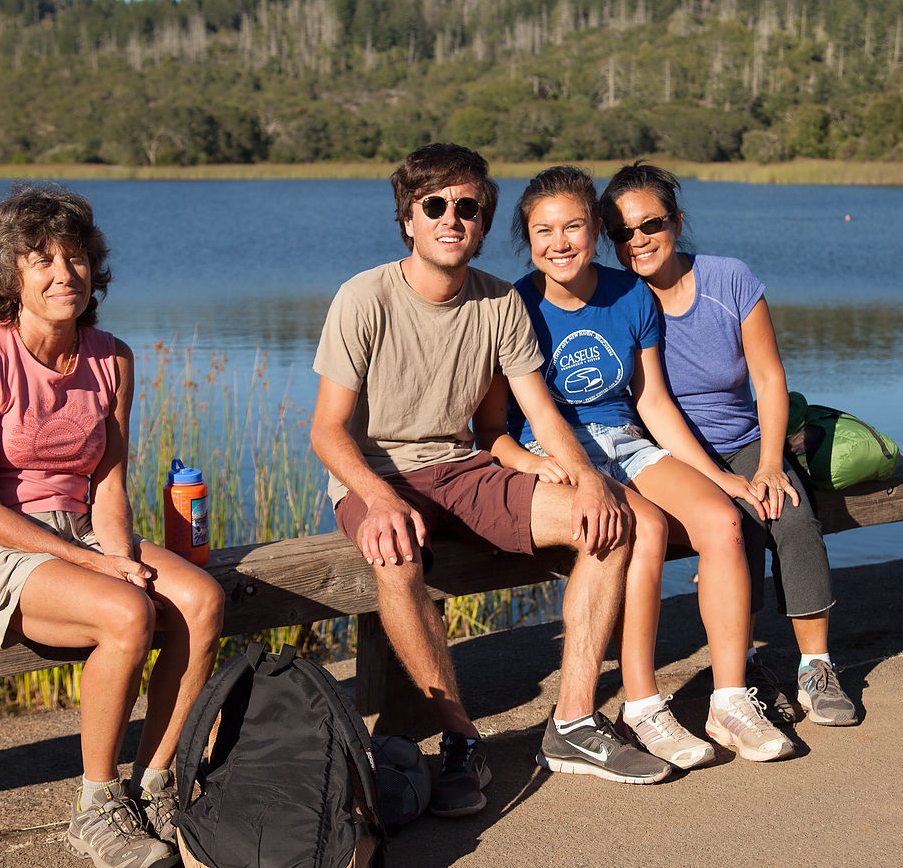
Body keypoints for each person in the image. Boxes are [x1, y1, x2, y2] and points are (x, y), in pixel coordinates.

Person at [310, 144, 672, 817]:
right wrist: (380, 499)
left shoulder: (500, 302)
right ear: (409, 218)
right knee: (396, 558)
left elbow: (539, 410)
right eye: (435, 206)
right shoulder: (363, 297)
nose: (452, 218)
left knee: (611, 530)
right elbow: (327, 431)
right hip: (379, 473)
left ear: (482, 222)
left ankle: (572, 723)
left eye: (468, 207)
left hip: (464, 467)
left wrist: (591, 481)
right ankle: (460, 741)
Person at [0, 185, 225, 868]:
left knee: (202, 599)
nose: (63, 273)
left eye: (75, 258)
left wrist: (119, 554)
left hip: (82, 533)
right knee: (127, 612)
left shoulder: (113, 357)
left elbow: (110, 486)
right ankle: (95, 807)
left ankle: (155, 785)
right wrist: (96, 569)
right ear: (10, 276)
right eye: (41, 260)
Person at [475, 166, 793, 766]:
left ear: (597, 230)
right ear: (527, 237)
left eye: (573, 226)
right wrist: (530, 465)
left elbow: (652, 402)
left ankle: (730, 701)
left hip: (625, 440)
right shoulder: (513, 306)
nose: (559, 243)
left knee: (721, 520)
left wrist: (718, 475)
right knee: (642, 529)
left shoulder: (630, 295)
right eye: (543, 231)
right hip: (556, 454)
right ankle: (643, 706)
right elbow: (490, 430)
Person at [600, 161, 857, 727]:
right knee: (733, 528)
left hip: (743, 440)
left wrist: (769, 464)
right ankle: (744, 667)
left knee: (789, 514)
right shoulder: (616, 299)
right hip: (665, 454)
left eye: (652, 224)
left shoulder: (729, 279)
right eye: (621, 233)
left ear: (678, 221)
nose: (638, 240)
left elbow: (768, 379)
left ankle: (816, 667)